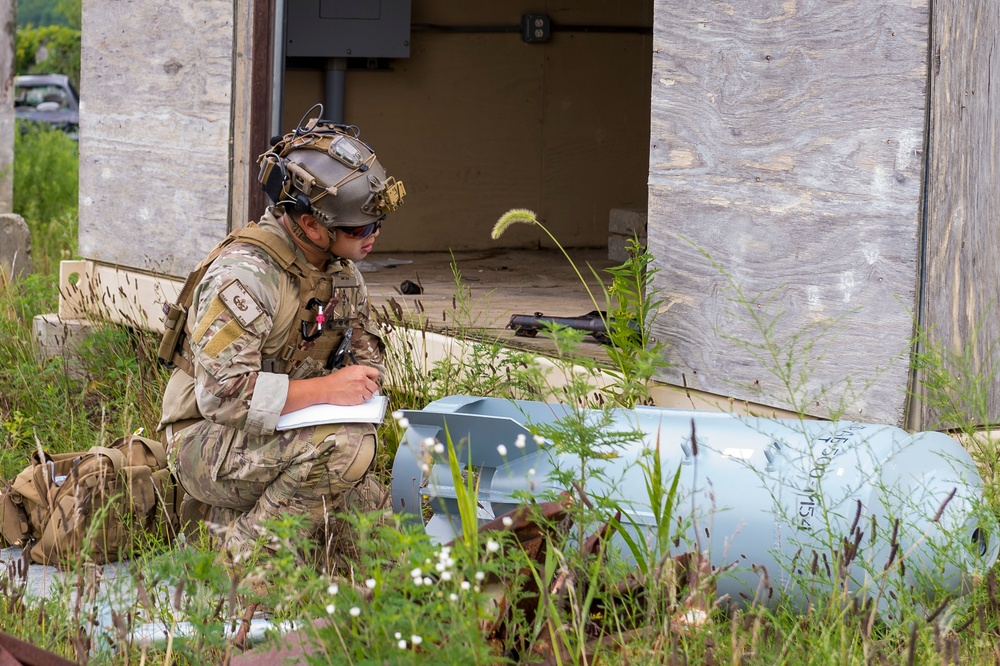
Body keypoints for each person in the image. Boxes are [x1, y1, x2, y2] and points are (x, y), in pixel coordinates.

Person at [157, 111, 405, 569]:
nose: (372, 236)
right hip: (205, 439)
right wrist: (329, 391)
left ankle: (235, 530)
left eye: (376, 225)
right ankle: (243, 574)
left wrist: (362, 385)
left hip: (284, 432)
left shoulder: (340, 275)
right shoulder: (247, 276)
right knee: (345, 449)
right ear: (311, 225)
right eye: (359, 228)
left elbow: (364, 358)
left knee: (384, 543)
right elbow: (223, 398)